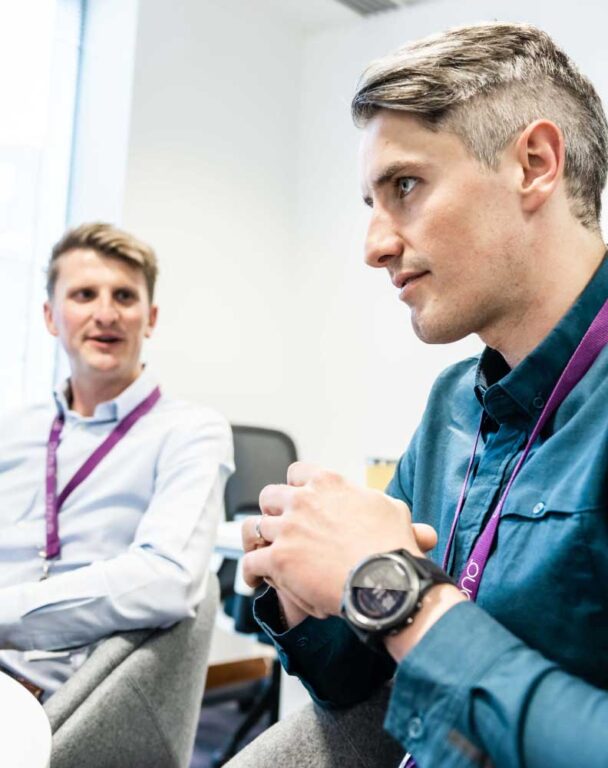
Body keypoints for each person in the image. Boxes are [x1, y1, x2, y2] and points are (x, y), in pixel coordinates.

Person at [229, 22, 608, 768]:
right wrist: (308, 596)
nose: (374, 244)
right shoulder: (452, 406)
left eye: (405, 186)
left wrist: (393, 589)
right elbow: (360, 685)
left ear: (534, 164)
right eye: (371, 200)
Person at [0, 222, 233, 701]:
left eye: (124, 297)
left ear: (150, 318)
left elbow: (168, 578)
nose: (105, 313)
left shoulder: (189, 433)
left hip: (68, 702)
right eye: (84, 294)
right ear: (50, 316)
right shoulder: (15, 428)